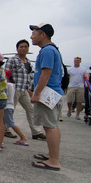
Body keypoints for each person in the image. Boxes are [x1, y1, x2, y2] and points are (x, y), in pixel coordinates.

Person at [30, 23, 63, 171]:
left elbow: (46, 73)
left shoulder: (47, 51)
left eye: (34, 33)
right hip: (52, 92)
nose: (31, 36)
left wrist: (36, 93)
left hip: (48, 93)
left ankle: (54, 161)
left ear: (43, 35)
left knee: (50, 127)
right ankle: (51, 154)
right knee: (50, 125)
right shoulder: (51, 49)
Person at [5, 40, 46, 140]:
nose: (23, 48)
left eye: (25, 47)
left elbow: (27, 77)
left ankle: (36, 132)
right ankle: (5, 130)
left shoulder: (28, 63)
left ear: (28, 49)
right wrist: (9, 87)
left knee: (30, 110)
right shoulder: (12, 60)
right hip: (14, 89)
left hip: (24, 90)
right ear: (17, 49)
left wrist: (29, 89)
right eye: (21, 47)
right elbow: (6, 73)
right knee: (10, 110)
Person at [4, 70, 29, 146]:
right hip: (8, 106)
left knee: (11, 123)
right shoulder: (12, 85)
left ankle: (23, 137)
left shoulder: (8, 85)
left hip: (7, 107)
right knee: (2, 123)